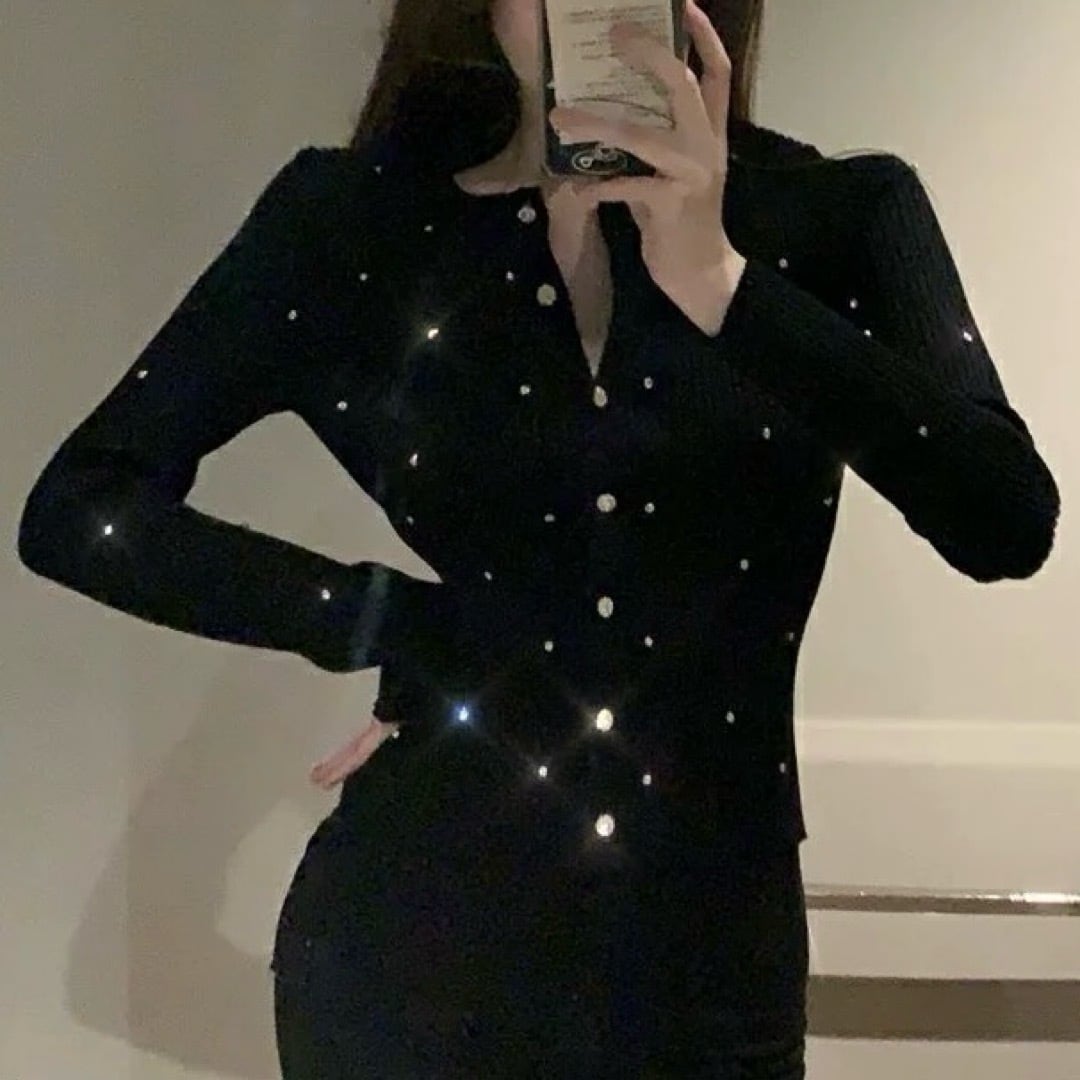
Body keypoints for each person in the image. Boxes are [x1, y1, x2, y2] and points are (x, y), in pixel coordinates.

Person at [16, 0, 1061, 1075]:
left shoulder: (839, 216)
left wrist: (720, 281)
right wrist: (392, 622)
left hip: (709, 959)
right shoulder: (357, 224)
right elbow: (81, 510)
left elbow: (1005, 520)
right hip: (415, 944)